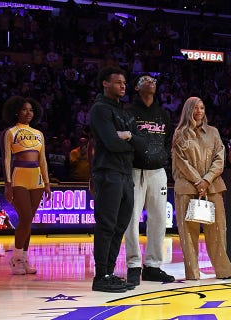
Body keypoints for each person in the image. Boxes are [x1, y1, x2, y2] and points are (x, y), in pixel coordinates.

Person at [89, 66, 145, 292]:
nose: (123, 86)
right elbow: (110, 142)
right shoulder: (99, 109)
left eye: (124, 83)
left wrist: (128, 136)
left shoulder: (125, 113)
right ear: (105, 83)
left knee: (120, 225)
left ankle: (109, 272)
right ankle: (100, 275)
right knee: (106, 225)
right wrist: (128, 142)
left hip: (125, 174)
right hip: (107, 173)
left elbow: (142, 144)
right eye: (118, 82)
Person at [172, 96, 231, 281]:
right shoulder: (180, 133)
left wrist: (206, 180)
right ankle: (193, 274)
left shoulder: (213, 132)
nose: (199, 111)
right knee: (188, 234)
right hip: (187, 187)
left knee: (217, 231)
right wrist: (198, 181)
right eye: (195, 108)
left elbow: (219, 158)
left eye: (202, 107)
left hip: (213, 186)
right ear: (188, 110)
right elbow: (181, 162)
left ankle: (224, 271)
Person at [124, 73, 175, 286]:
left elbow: (168, 141)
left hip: (157, 171)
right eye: (145, 80)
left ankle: (153, 265)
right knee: (131, 219)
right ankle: (134, 265)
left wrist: (163, 158)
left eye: (153, 80)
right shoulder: (128, 112)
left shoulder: (163, 114)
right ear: (136, 87)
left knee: (158, 219)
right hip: (134, 170)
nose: (150, 82)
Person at [1, 96, 51, 274]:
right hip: (19, 177)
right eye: (24, 109)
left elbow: (43, 159)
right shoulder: (11, 132)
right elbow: (7, 159)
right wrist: (7, 183)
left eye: (30, 109)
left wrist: (47, 183)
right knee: (25, 217)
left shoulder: (39, 134)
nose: (28, 112)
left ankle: (24, 258)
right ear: (16, 111)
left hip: (36, 178)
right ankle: (15, 259)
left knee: (29, 221)